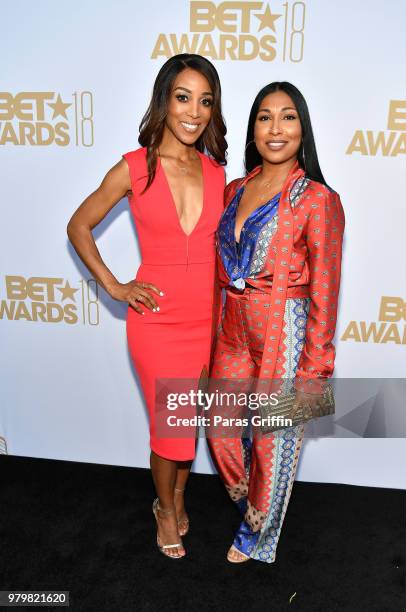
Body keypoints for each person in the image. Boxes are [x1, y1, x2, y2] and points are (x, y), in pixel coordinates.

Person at [67, 54, 227, 559]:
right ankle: (163, 508)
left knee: (191, 419)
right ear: (164, 100)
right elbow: (78, 224)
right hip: (156, 322)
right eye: (184, 97)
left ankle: (179, 497)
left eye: (205, 101)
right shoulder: (134, 167)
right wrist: (115, 287)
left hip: (207, 318)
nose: (194, 111)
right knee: (170, 426)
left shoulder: (217, 172)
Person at [207, 81, 344, 563]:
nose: (275, 128)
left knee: (271, 437)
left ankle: (256, 537)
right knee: (221, 431)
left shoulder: (317, 199)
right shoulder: (235, 189)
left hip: (284, 328)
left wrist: (314, 373)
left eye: (288, 116)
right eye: (265, 117)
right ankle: (259, 501)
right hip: (233, 325)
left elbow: (325, 293)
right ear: (253, 129)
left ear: (302, 127)